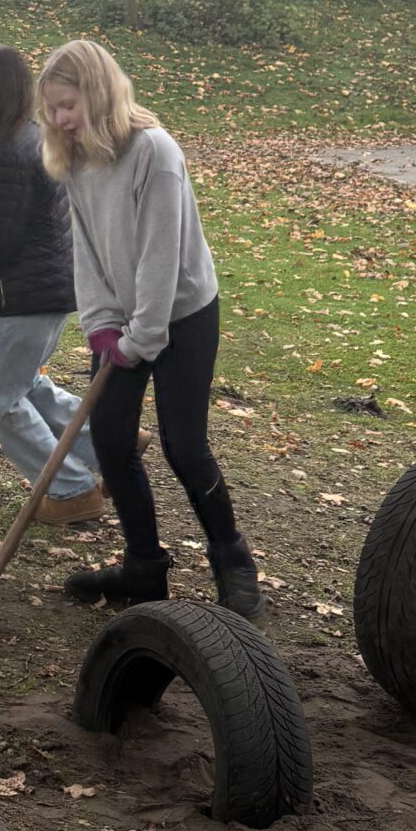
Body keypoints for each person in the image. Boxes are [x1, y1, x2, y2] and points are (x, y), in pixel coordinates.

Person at [35, 38, 257, 617]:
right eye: (52, 109)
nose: (60, 119)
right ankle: (143, 568)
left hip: (181, 314)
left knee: (185, 446)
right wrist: (102, 324)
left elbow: (162, 254)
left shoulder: (154, 151)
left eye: (69, 105)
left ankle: (232, 558)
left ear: (100, 91)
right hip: (123, 320)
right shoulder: (75, 158)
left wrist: (141, 339)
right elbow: (86, 249)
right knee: (110, 439)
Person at [0, 44, 102, 527]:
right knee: (24, 384)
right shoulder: (31, 137)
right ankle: (105, 444)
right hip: (52, 290)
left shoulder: (11, 151)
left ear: (1, 95)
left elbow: (1, 243)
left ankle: (71, 489)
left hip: (28, 295)